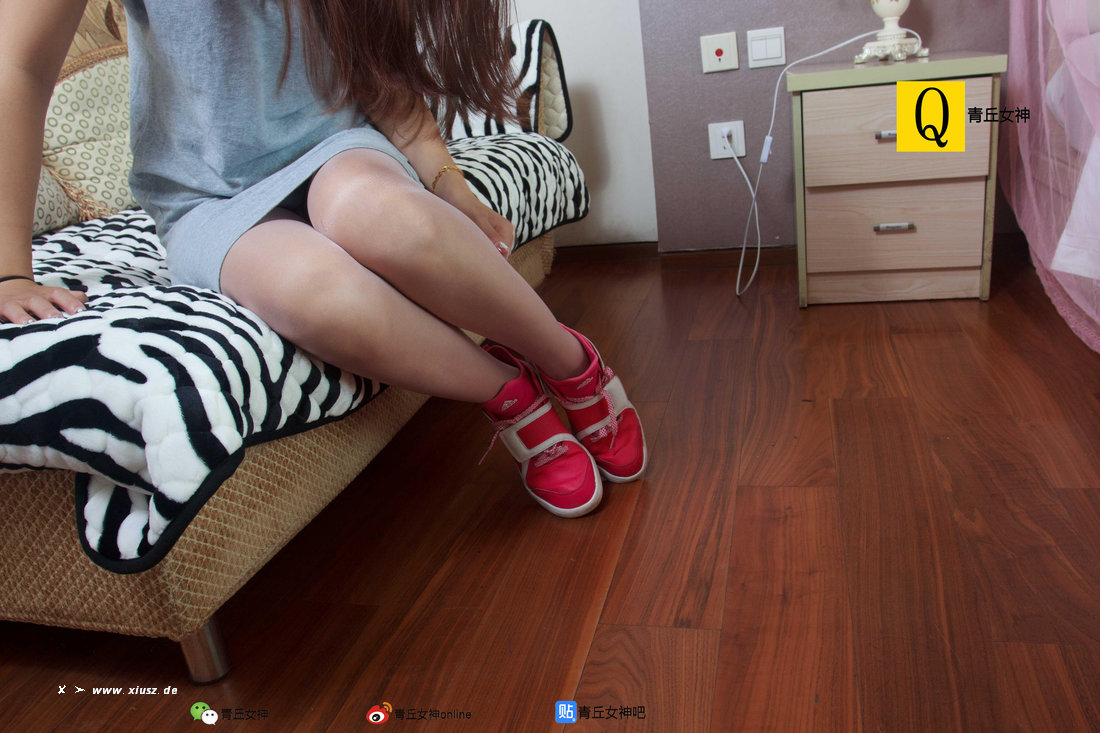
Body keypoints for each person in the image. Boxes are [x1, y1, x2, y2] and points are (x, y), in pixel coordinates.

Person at [0, 0, 646, 517]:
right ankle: (509, 391)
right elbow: (18, 66)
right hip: (204, 195)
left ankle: (572, 365)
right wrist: (9, 269)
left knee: (391, 221)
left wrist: (451, 186)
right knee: (316, 293)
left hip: (335, 144)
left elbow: (376, 70)